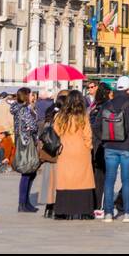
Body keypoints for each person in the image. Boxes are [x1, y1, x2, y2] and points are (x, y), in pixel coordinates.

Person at [97, 77, 129, 222]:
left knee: (109, 180)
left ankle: (108, 213)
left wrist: (103, 139)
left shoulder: (107, 104)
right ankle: (127, 213)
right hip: (128, 146)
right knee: (127, 180)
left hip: (110, 147)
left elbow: (96, 125)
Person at [49, 92, 96, 220]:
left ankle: (62, 211)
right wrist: (89, 147)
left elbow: (56, 132)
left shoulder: (60, 116)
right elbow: (88, 135)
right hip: (81, 151)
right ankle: (85, 211)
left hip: (65, 151)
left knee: (65, 180)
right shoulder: (83, 116)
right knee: (83, 180)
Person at [9, 87, 40, 212]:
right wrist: (34, 125)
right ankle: (23, 203)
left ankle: (25, 202)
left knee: (29, 172)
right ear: (26, 96)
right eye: (31, 95)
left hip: (22, 141)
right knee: (27, 171)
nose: (33, 97)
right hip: (26, 142)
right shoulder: (23, 110)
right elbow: (32, 125)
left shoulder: (19, 109)